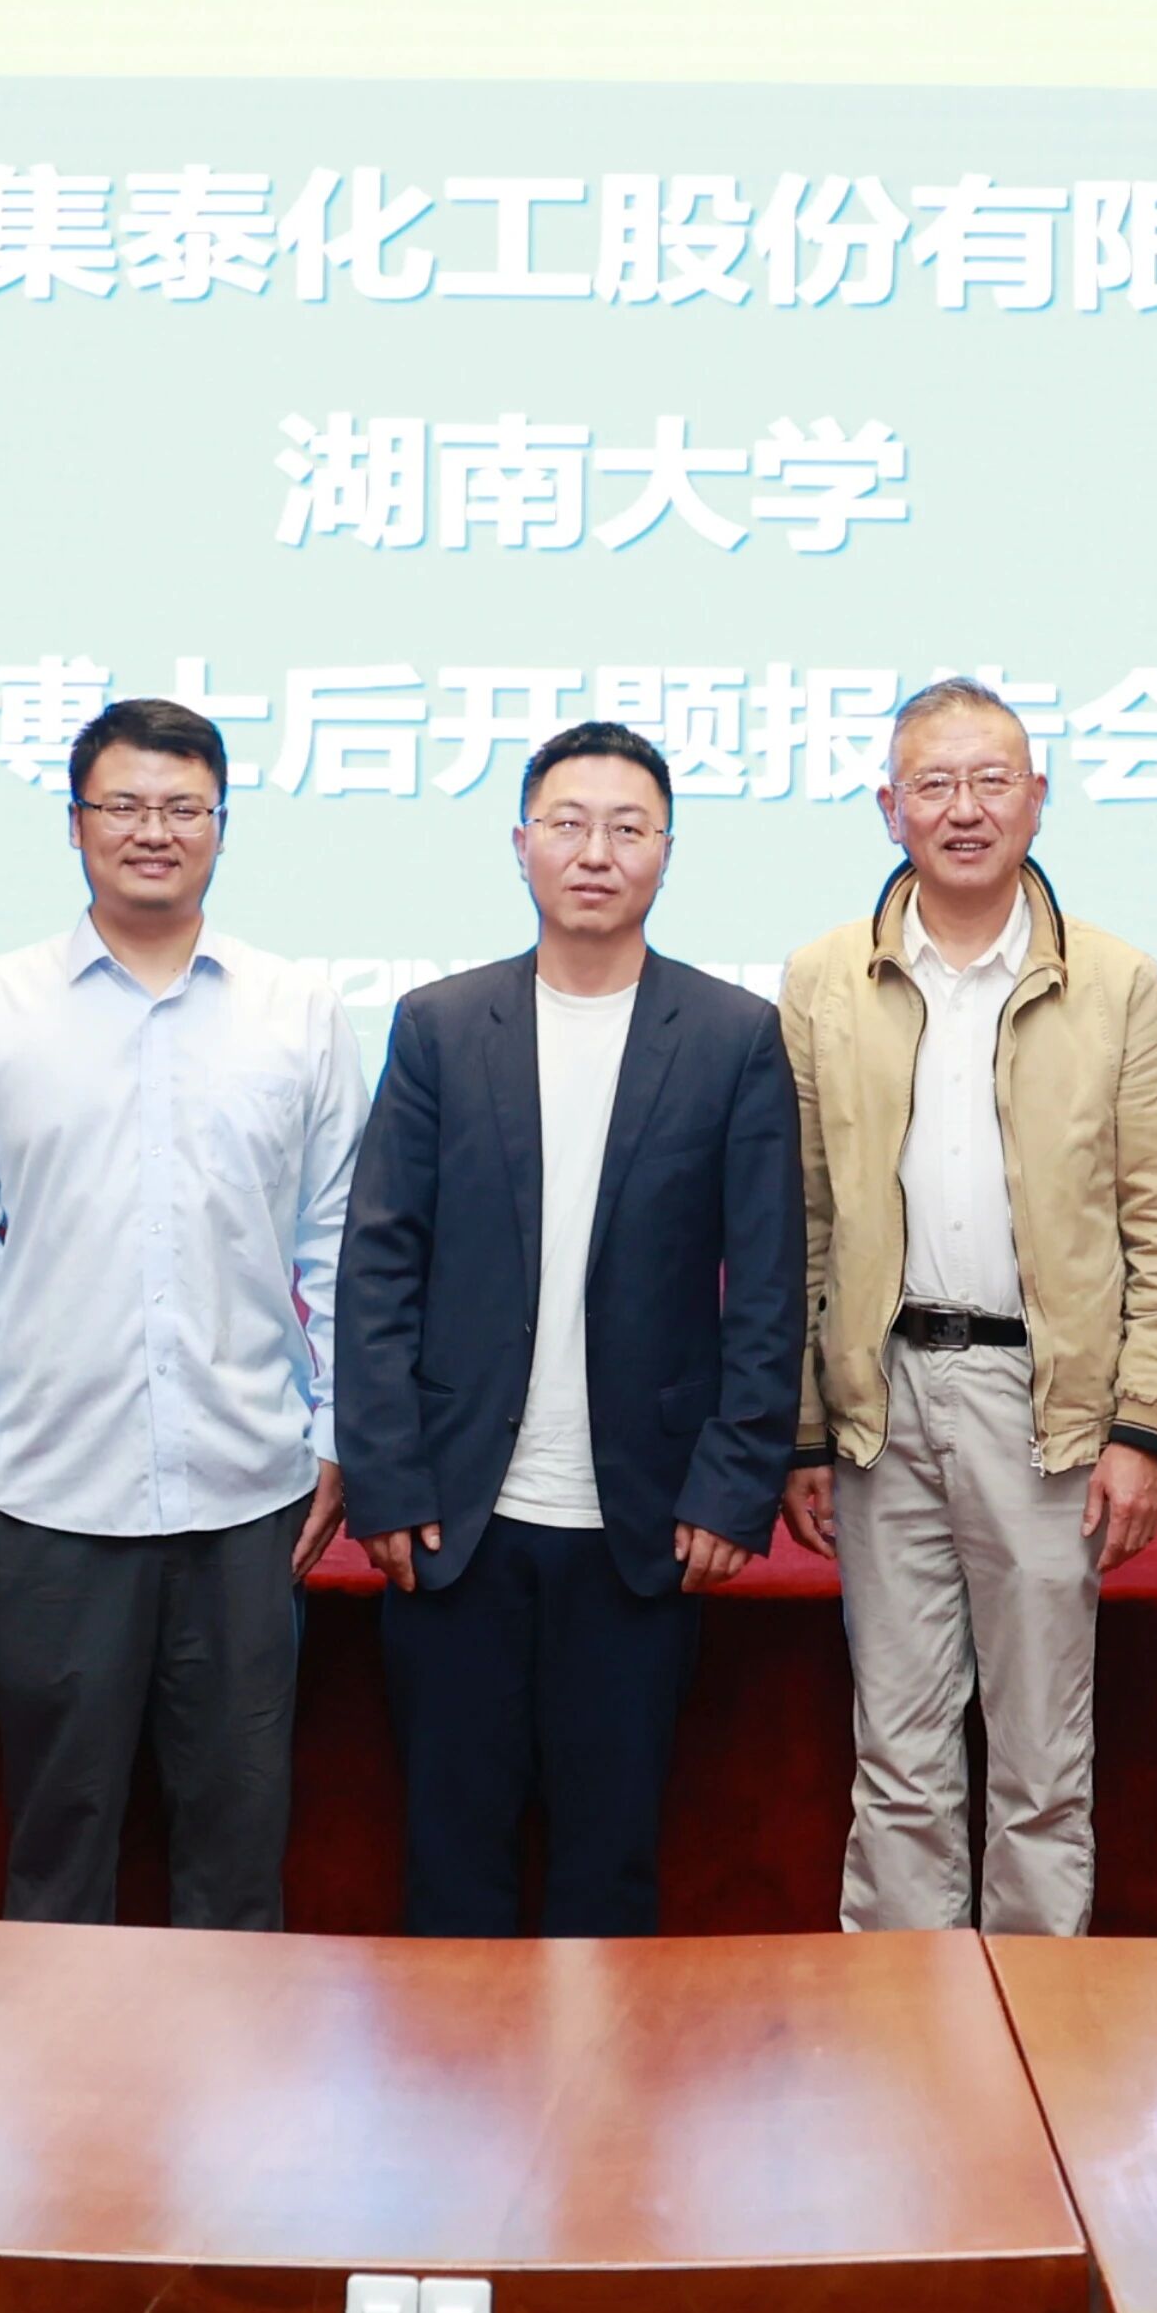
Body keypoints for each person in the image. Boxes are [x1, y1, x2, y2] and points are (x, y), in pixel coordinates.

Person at [337, 721, 806, 1937]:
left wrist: (733, 1485)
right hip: (457, 1518)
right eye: (569, 824)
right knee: (453, 1860)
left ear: (666, 853)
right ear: (521, 844)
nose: (596, 853)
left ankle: (604, 2071)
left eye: (628, 828)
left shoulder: (731, 1036)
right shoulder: (441, 1026)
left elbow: (766, 1281)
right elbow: (379, 1263)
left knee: (610, 1865)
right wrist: (387, 1479)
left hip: (641, 1524)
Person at [0, 697, 363, 1929]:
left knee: (238, 1843)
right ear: (74, 824)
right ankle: (55, 2063)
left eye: (182, 808)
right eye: (123, 806)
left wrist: (337, 1431)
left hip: (250, 1487)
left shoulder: (297, 1007)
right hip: (51, 1487)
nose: (153, 832)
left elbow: (338, 1242)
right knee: (58, 1841)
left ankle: (236, 2061)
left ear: (221, 826)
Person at [779, 675, 1157, 1938]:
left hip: (1045, 1414)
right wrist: (803, 1428)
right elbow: (798, 1219)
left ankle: (1039, 2021)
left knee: (1040, 1760)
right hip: (881, 1406)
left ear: (1037, 798)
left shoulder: (1117, 981)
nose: (963, 810)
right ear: (889, 808)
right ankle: (903, 2021)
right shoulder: (824, 978)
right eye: (934, 784)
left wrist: (1143, 1429)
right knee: (899, 1755)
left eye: (990, 781)